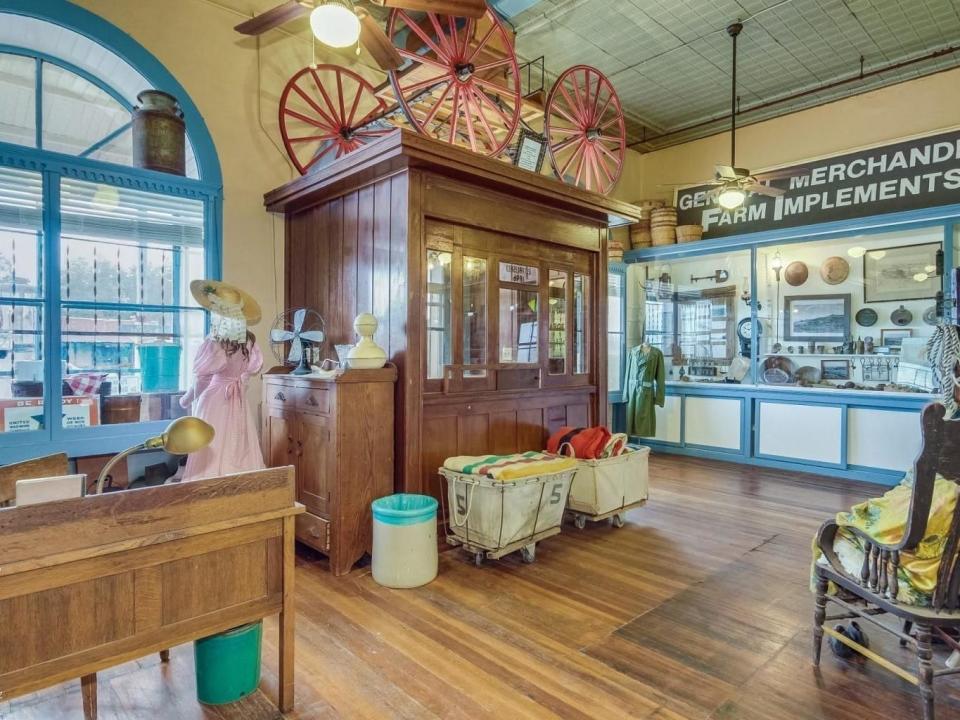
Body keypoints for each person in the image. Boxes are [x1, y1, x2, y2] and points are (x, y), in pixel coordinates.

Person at [180, 279, 265, 481]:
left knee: (213, 441)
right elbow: (249, 370)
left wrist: (187, 399)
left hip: (215, 399)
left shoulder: (215, 342)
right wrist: (240, 386)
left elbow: (203, 379)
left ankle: (211, 486)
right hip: (237, 400)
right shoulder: (249, 340)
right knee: (237, 442)